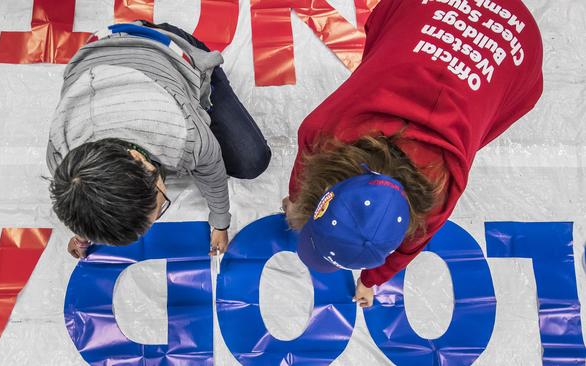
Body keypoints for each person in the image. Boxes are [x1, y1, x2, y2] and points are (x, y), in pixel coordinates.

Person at [283, 0, 543, 307]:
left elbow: (407, 248)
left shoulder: (440, 195)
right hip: (514, 38)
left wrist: (370, 279)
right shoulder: (324, 130)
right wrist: (299, 201)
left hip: (518, 39)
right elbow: (406, 249)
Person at [47, 21, 271, 258]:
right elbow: (80, 194)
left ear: (137, 158)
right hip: (100, 51)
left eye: (160, 205)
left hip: (169, 49)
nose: (158, 209)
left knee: (251, 160)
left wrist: (220, 223)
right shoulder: (64, 159)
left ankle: (183, 51)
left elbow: (212, 171)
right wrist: (84, 233)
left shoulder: (183, 133)